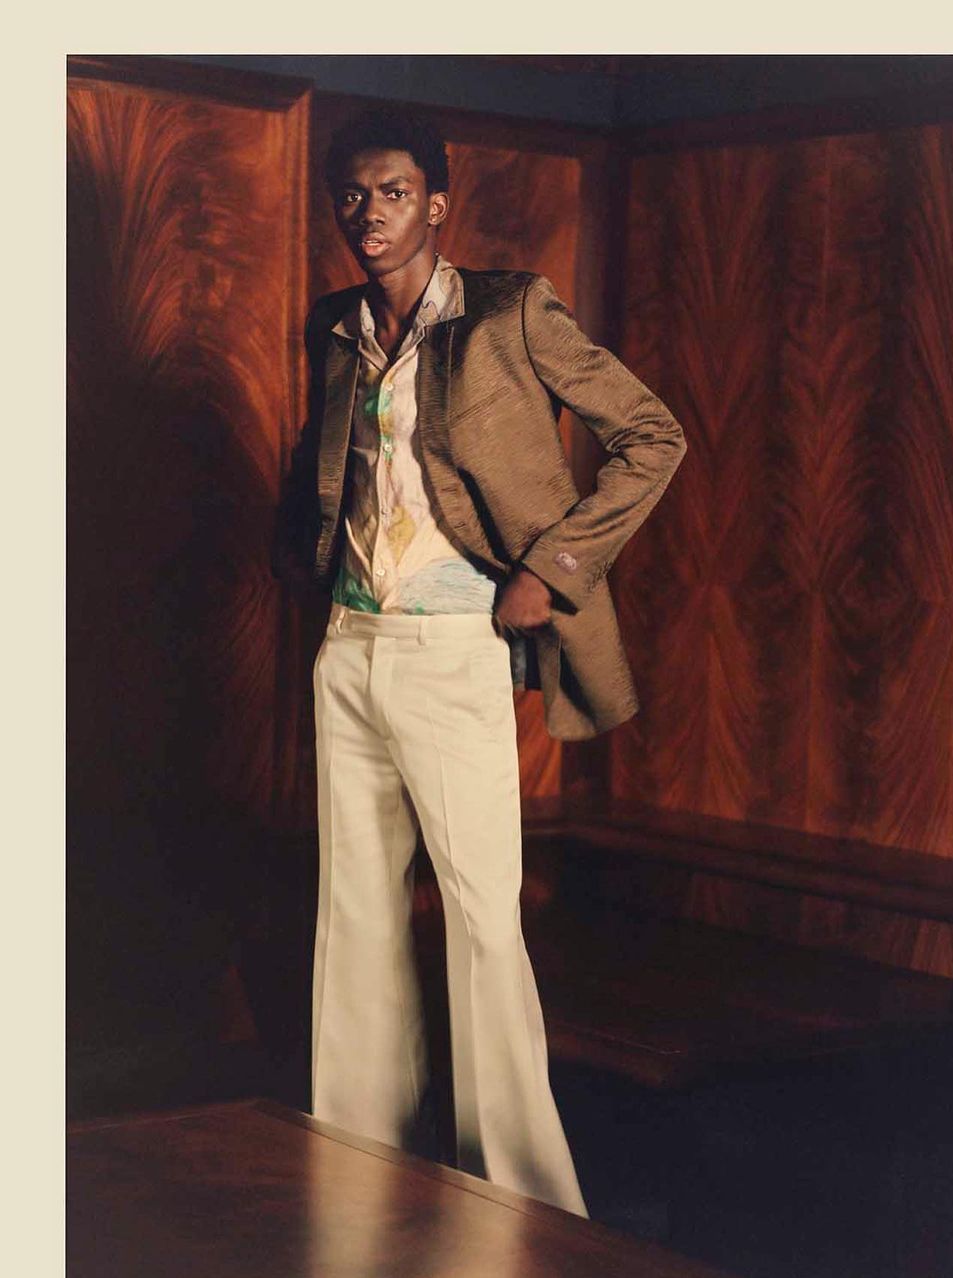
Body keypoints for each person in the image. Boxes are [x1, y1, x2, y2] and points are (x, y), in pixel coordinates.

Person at [273, 110, 685, 1218]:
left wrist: (553, 567)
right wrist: (307, 561)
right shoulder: (335, 324)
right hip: (349, 648)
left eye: (394, 193)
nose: (369, 214)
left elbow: (652, 435)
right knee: (353, 914)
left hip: (455, 651)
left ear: (438, 205)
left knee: (481, 919)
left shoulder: (509, 312)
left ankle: (526, 1194)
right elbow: (332, 470)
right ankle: (351, 1163)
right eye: (353, 195)